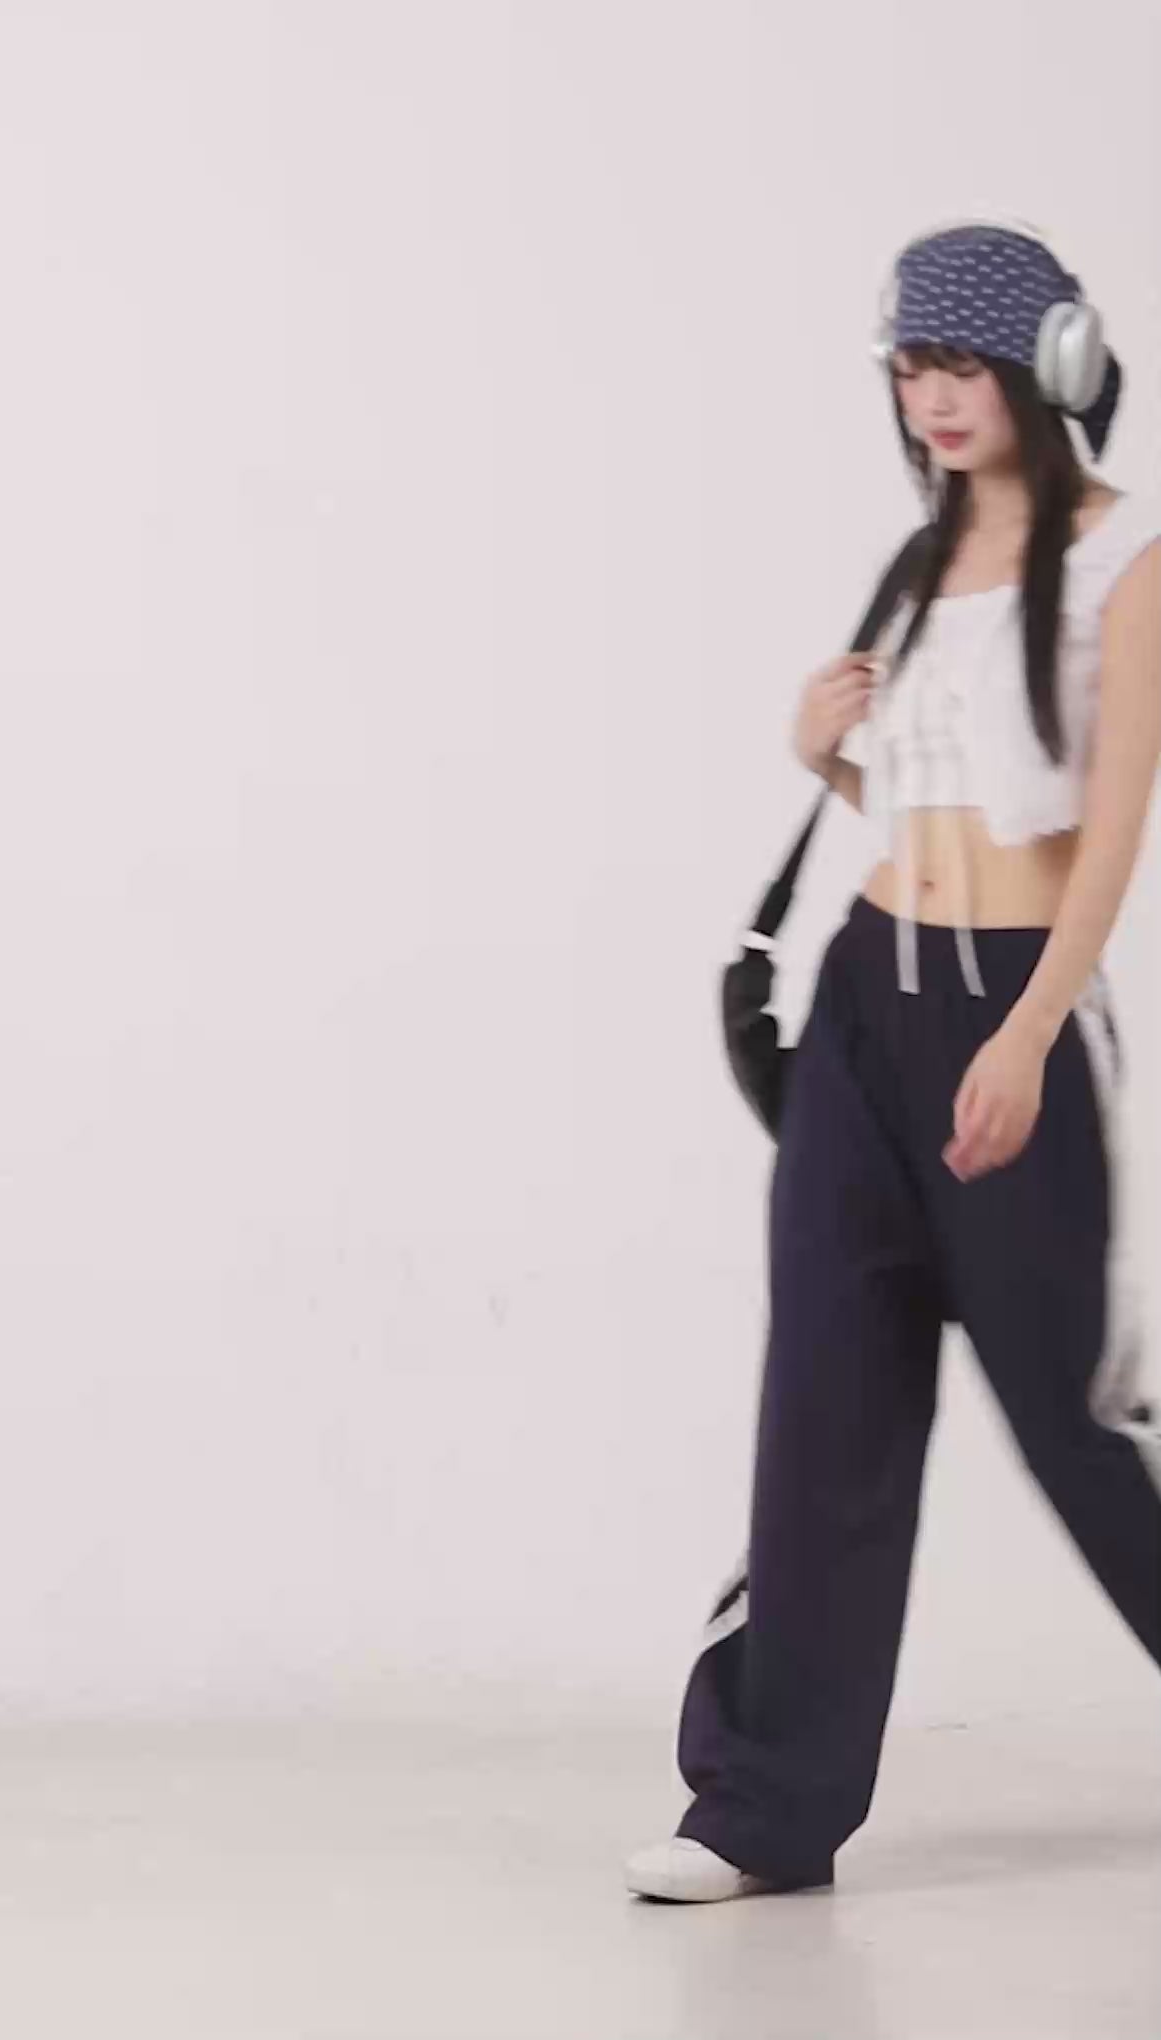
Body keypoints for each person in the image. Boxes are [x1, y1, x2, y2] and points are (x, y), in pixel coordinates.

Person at [624, 218, 1161, 1904]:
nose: (935, 396)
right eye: (913, 367)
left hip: (1015, 1009)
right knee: (827, 1402)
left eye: (964, 364)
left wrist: (1026, 1033)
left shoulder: (1129, 560)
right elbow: (924, 824)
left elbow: (1108, 842)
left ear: (1046, 365)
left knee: (1078, 1418)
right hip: (864, 1000)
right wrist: (824, 761)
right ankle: (764, 1810)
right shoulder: (918, 567)